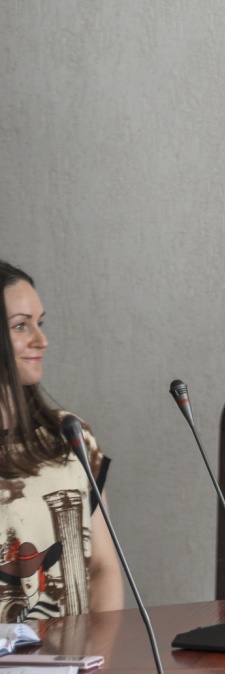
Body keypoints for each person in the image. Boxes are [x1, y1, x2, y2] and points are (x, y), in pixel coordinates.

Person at [0, 260, 123, 621]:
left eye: (40, 323)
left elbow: (103, 568)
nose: (42, 340)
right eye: (21, 325)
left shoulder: (70, 438)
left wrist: (100, 651)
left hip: (77, 655)